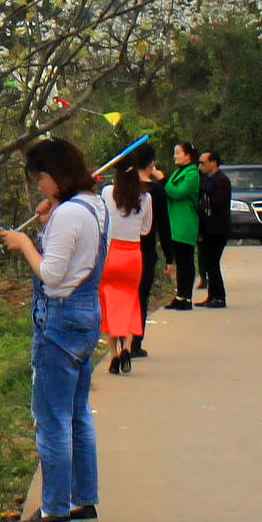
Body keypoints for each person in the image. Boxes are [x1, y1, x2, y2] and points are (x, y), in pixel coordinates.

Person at [0, 136, 107, 522]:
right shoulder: (93, 206)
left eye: (41, 178)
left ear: (56, 176)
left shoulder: (68, 216)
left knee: (51, 418)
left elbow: (52, 276)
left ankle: (54, 508)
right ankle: (83, 502)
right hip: (86, 316)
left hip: (59, 320)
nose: (38, 186)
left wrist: (25, 242)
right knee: (77, 415)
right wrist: (52, 216)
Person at [98, 148, 157, 373]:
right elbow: (146, 229)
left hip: (111, 253)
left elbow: (102, 220)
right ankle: (128, 348)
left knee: (110, 303)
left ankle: (113, 352)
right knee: (131, 301)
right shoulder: (146, 197)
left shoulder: (107, 193)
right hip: (133, 255)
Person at [159, 141, 205, 309]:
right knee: (180, 260)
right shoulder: (180, 172)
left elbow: (177, 193)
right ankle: (180, 296)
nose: (175, 156)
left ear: (188, 155)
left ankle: (187, 298)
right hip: (176, 222)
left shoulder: (192, 174)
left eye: (178, 153)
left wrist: (163, 179)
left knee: (186, 260)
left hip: (185, 222)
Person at [194, 148, 234, 307]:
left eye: (203, 163)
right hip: (207, 227)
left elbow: (216, 202)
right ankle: (212, 296)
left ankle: (219, 297)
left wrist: (205, 193)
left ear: (213, 163)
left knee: (213, 262)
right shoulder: (206, 179)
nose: (200, 166)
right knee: (207, 263)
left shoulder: (222, 180)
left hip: (219, 228)